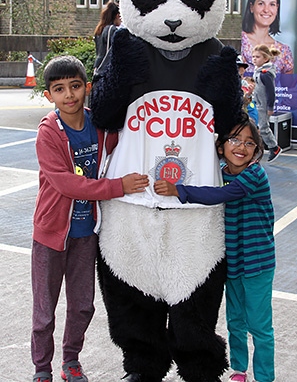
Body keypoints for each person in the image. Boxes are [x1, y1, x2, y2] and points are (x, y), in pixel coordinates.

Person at [31, 55, 149, 382]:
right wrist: (117, 187)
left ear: (87, 88)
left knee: (82, 306)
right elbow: (66, 182)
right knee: (44, 312)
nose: (68, 95)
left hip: (86, 234)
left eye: (74, 87)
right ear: (48, 96)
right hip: (51, 235)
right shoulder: (49, 133)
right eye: (59, 89)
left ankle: (71, 362)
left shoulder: (98, 124)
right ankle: (42, 368)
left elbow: (128, 136)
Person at [154, 112, 276, 382]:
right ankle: (240, 370)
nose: (241, 147)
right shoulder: (220, 174)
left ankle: (266, 376)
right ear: (221, 147)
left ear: (256, 150)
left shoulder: (254, 175)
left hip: (257, 263)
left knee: (259, 325)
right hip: (234, 262)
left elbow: (221, 195)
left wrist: (179, 190)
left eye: (249, 142)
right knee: (235, 322)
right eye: (234, 140)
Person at [241, 0, 294, 75]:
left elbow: (289, 87)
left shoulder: (284, 51)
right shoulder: (241, 40)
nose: (266, 10)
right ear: (251, 7)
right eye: (261, 3)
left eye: (272, 4)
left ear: (277, 8)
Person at [252, 44, 282, 163]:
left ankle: (274, 147)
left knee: (263, 127)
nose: (254, 59)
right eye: (253, 56)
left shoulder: (265, 73)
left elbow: (271, 92)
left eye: (257, 57)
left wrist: (270, 107)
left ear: (265, 58)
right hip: (257, 103)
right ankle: (256, 147)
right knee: (255, 126)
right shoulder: (258, 71)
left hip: (263, 105)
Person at [93, 1, 122, 72]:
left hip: (97, 66)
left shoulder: (99, 29)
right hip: (106, 67)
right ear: (117, 15)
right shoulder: (111, 29)